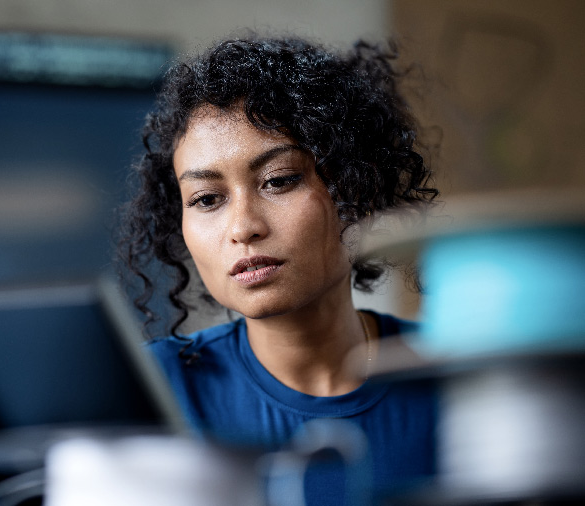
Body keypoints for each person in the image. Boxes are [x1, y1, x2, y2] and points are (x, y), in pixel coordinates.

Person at [117, 35, 439, 505]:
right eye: (207, 199)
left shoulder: (456, 379)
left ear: (355, 191)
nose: (242, 227)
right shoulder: (149, 391)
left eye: (279, 181)